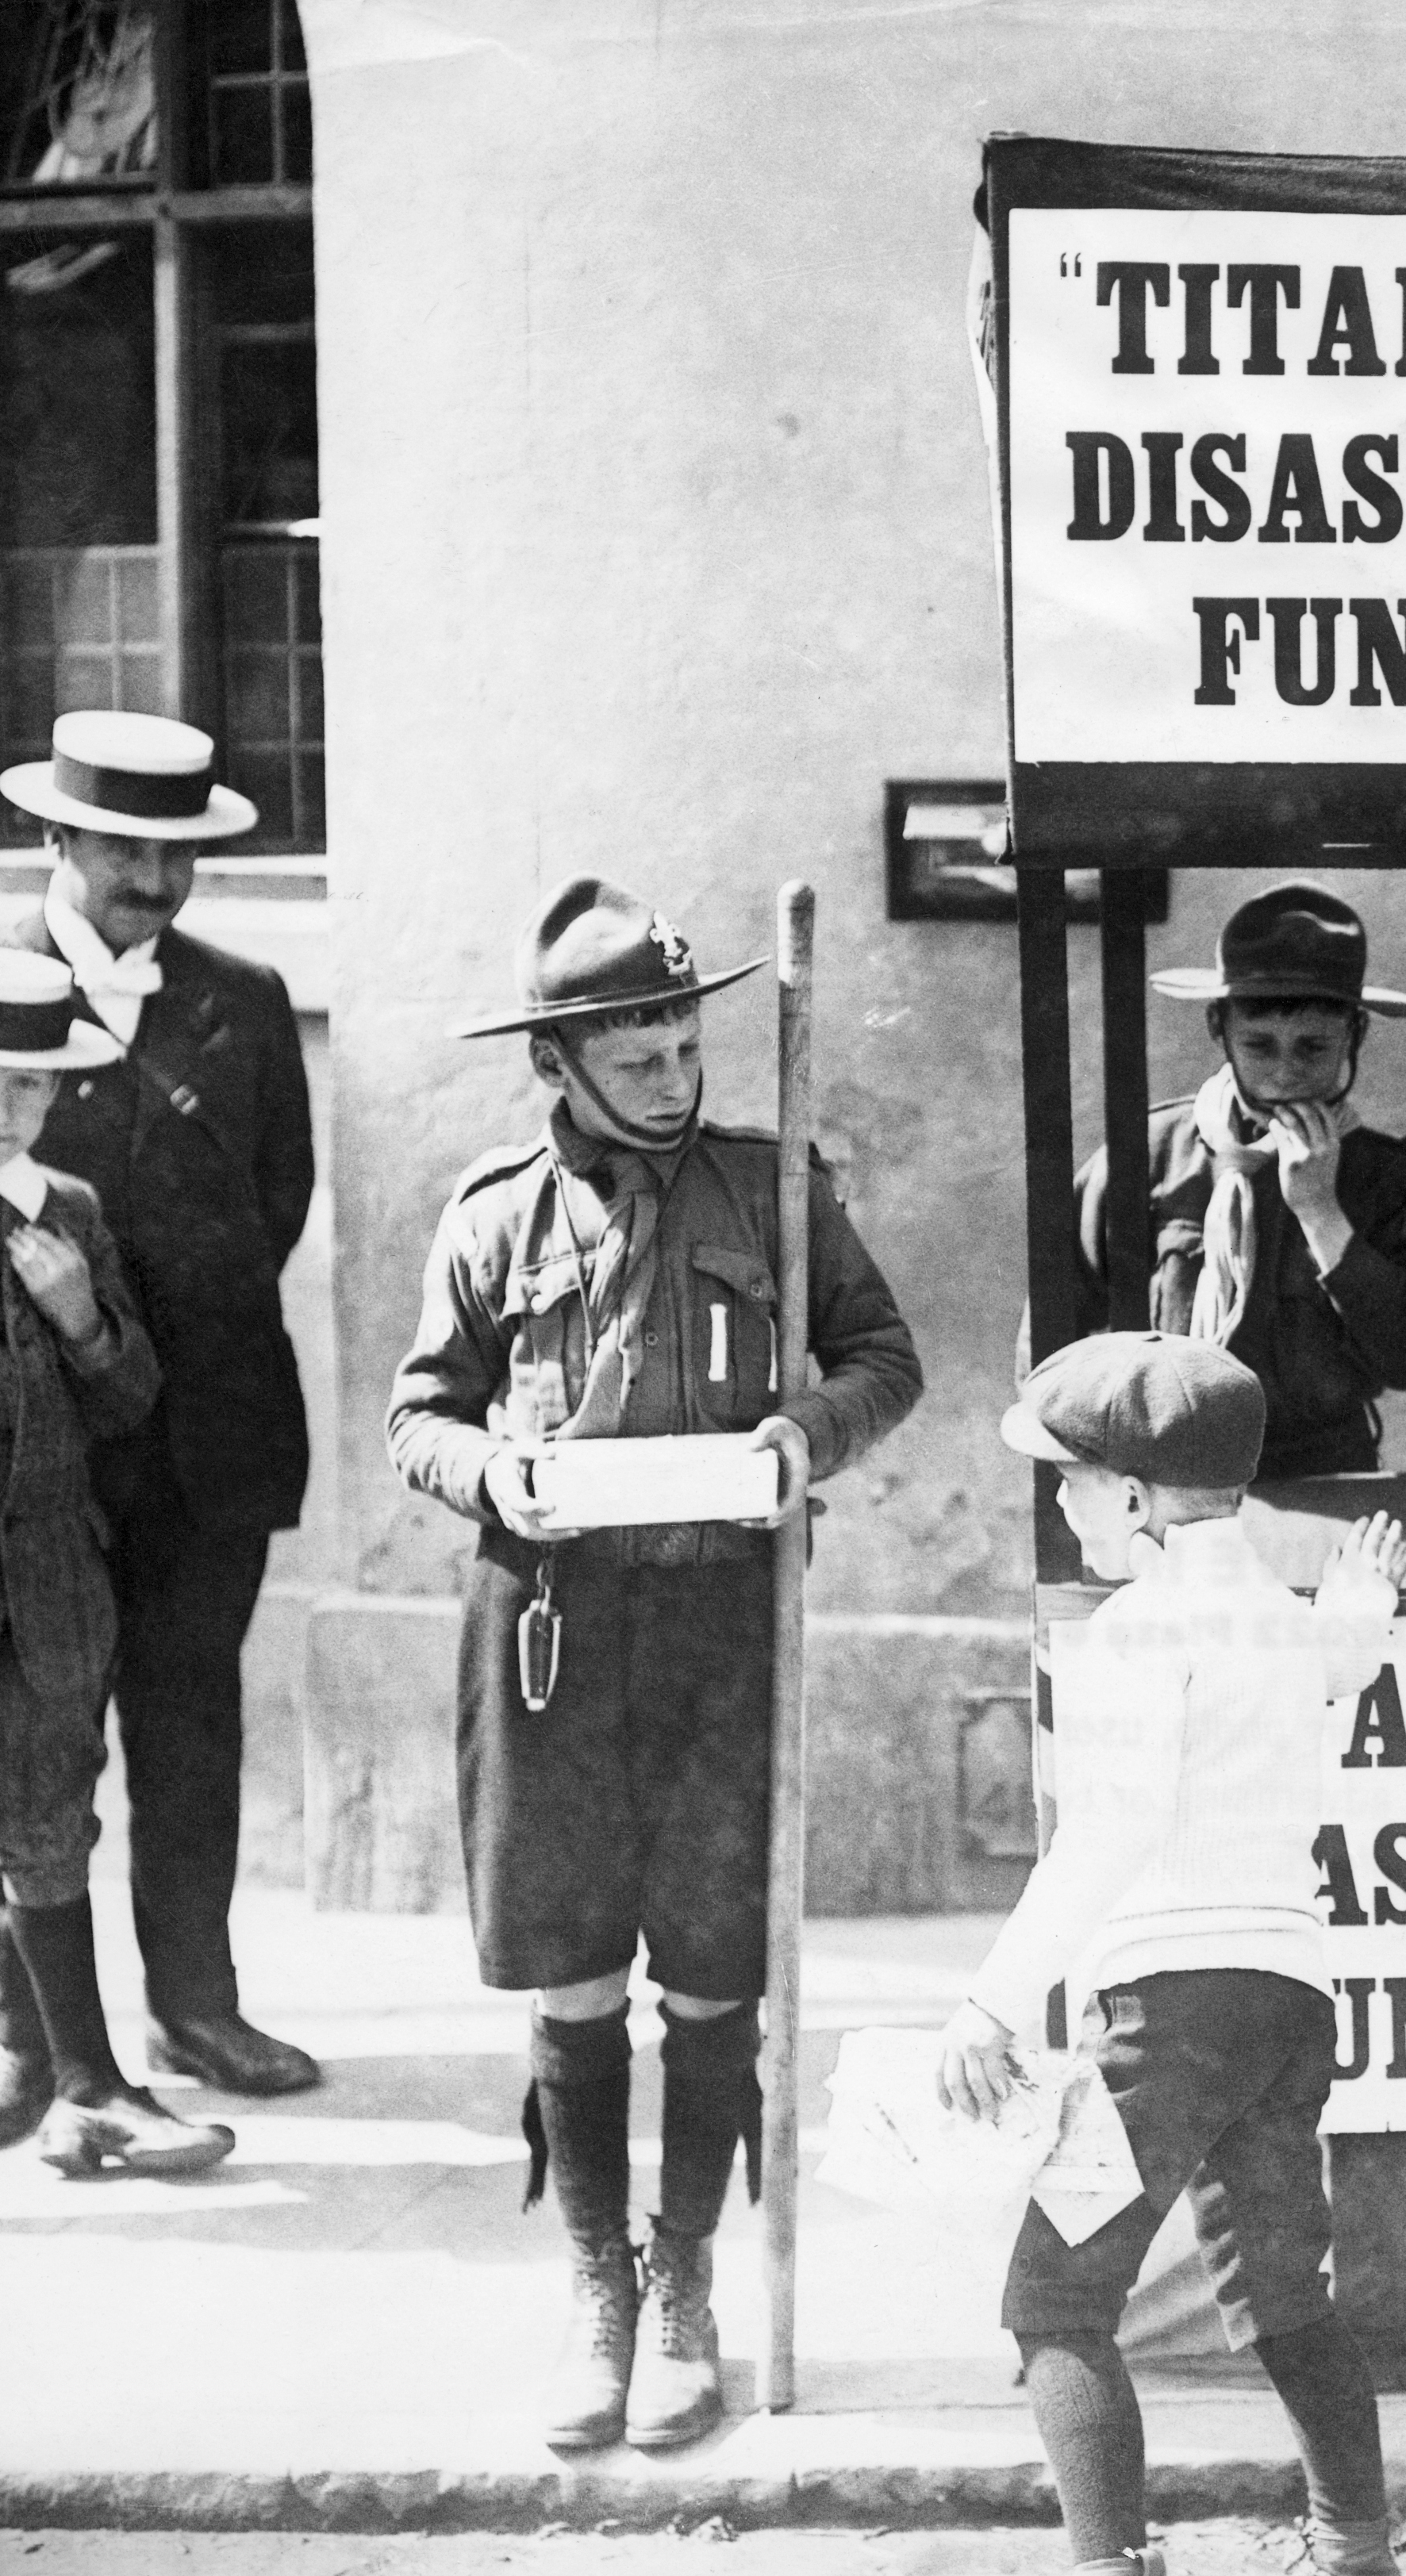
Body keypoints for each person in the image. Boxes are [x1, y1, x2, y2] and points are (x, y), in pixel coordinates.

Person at [387, 877, 923, 2451]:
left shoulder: (774, 1190)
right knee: (568, 1963)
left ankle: (684, 2275)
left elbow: (885, 1358)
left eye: (687, 1044)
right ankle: (596, 2287)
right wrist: (489, 1471)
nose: (675, 1077)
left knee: (710, 1964)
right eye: (636, 1056)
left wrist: (804, 1435)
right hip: (549, 1628)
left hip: (721, 1623)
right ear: (552, 1062)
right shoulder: (493, 1215)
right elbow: (420, 1415)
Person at [939, 1331, 1406, 2576]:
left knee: (1055, 2299)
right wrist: (1362, 1602)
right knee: (1284, 2296)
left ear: (1138, 1499)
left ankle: (1107, 2574)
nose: (1064, 1503)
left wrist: (989, 2002)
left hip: (1167, 2012)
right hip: (1289, 2004)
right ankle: (1357, 2560)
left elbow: (1112, 1829)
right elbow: (1346, 1661)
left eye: (1075, 1481)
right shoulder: (1282, 1619)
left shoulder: (1137, 1629)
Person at [0, 712, 325, 2161]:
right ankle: (20, 2040)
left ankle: (196, 2006)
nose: (153, 881)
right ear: (58, 837)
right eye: (123, 850)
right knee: (31, 1739)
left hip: (210, 1442)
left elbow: (274, 1202)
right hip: (33, 1456)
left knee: (190, 1724)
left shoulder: (246, 999)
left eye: (179, 855)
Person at [0, 945, 229, 2192]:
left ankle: (90, 2091)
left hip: (44, 1600)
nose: (2, 1109)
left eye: (28, 1085)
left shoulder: (69, 1211)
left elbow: (132, 1397)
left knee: (49, 1826)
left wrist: (83, 1317)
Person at [1060, 881, 1406, 1481]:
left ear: (1355, 1034)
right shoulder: (1146, 1155)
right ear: (1217, 1026)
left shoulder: (1385, 1176)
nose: (1284, 1074)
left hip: (1324, 1468)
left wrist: (1322, 1213)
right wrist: (1086, 1472)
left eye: (1312, 1048)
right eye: (1259, 1045)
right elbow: (1054, 1328)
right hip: (1163, 1470)